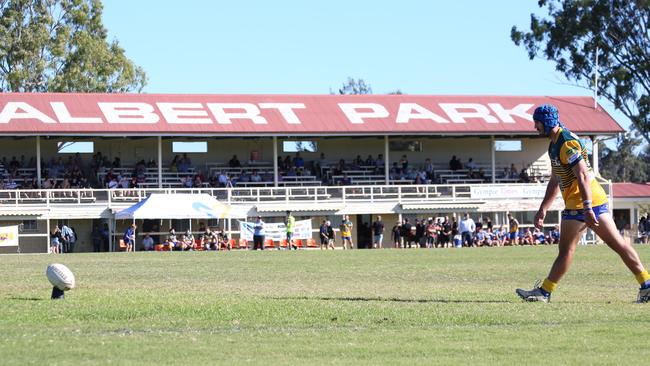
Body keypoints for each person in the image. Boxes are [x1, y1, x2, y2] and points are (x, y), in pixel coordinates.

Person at [516, 104, 650, 303]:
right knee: (616, 244)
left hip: (583, 204)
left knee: (568, 250)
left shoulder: (566, 142)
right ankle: (646, 284)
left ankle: (544, 292)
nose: (535, 127)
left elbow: (583, 175)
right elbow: (556, 180)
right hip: (587, 202)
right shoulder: (554, 144)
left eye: (537, 123)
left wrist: (587, 207)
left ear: (546, 122)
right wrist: (543, 208)